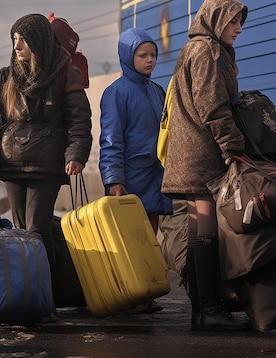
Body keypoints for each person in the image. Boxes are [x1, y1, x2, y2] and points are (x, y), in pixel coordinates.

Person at [0, 14, 92, 282]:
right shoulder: (6, 76)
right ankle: (27, 292)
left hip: (47, 163)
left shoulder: (65, 72)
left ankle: (45, 293)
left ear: (39, 41)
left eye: (24, 39)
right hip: (12, 162)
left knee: (38, 229)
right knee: (19, 230)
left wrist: (76, 154)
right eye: (15, 39)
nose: (17, 46)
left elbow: (79, 119)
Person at [161, 0, 251, 331]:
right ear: (215, 20)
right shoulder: (207, 52)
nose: (238, 29)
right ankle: (210, 310)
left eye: (239, 22)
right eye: (232, 23)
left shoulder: (194, 48)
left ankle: (202, 311)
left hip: (188, 154)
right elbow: (212, 105)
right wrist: (232, 145)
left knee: (199, 230)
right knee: (206, 229)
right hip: (202, 154)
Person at [99, 28, 174, 314]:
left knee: (149, 241)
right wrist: (114, 180)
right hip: (131, 178)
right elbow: (110, 139)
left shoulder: (156, 90)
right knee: (128, 240)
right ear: (127, 56)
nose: (150, 60)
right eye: (142, 55)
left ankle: (144, 293)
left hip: (154, 176)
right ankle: (128, 295)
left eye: (153, 55)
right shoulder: (116, 92)